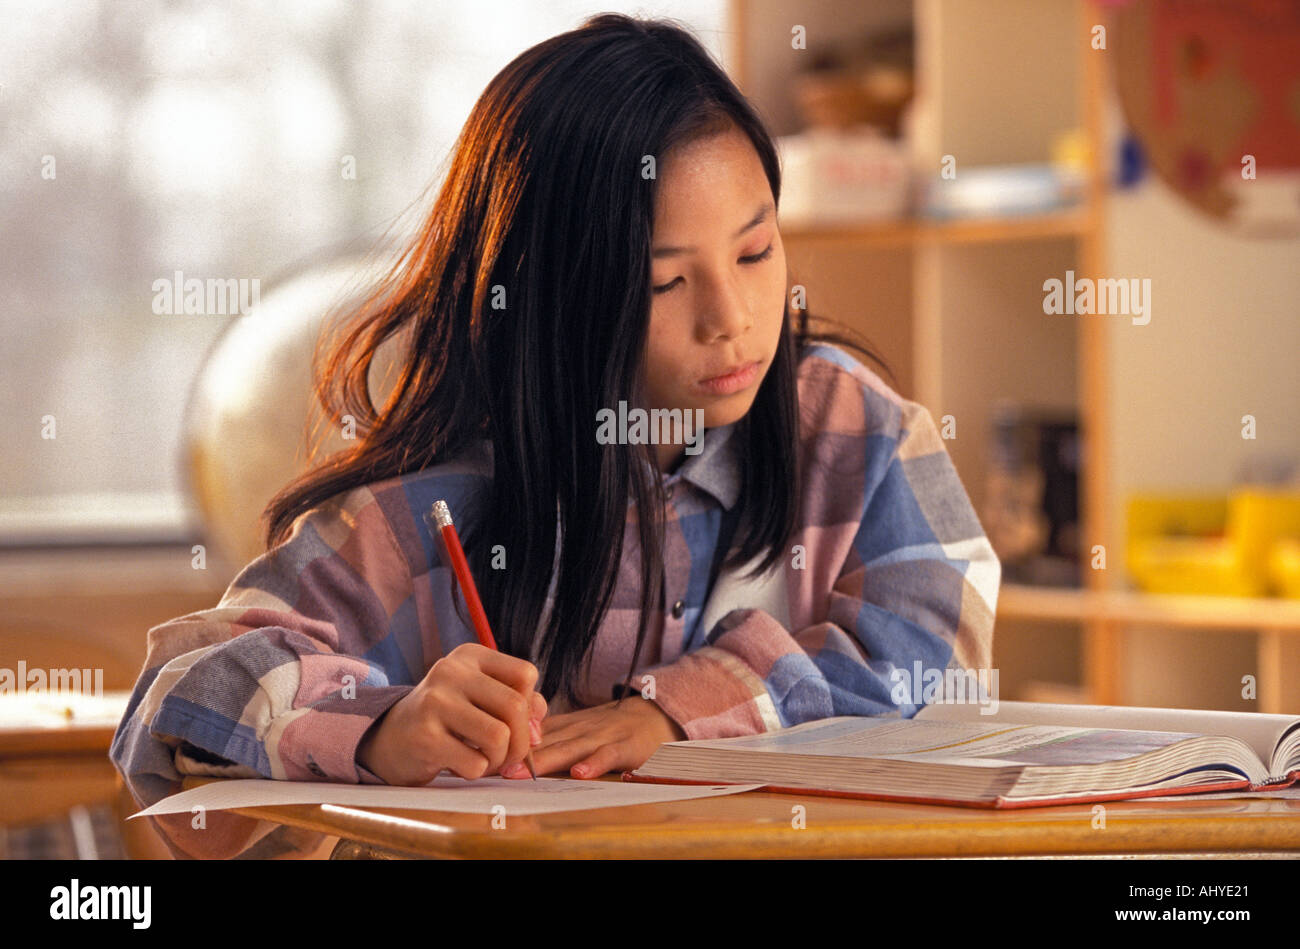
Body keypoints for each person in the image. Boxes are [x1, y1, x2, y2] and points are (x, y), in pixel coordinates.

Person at [110, 13, 999, 859]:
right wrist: (381, 727)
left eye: (756, 252)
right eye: (662, 283)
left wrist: (685, 707)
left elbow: (939, 651)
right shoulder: (445, 488)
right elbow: (174, 702)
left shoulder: (850, 427)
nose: (731, 319)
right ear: (548, 294)